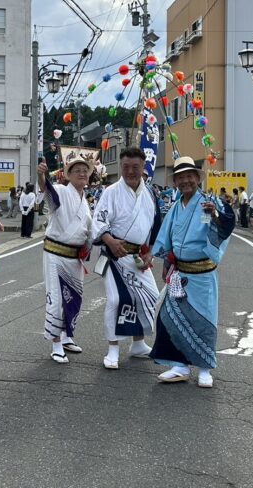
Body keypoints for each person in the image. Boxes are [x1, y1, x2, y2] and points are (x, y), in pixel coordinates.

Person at [150, 156, 236, 388]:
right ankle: (179, 365)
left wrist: (215, 215)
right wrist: (167, 261)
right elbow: (168, 236)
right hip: (180, 272)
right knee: (170, 318)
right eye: (180, 177)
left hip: (202, 275)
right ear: (176, 181)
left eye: (190, 176)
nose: (185, 181)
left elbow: (226, 225)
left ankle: (205, 367)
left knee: (203, 320)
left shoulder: (209, 202)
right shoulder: (176, 206)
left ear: (198, 178)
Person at [92, 147, 161, 370]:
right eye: (126, 167)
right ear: (121, 167)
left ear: (143, 168)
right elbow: (99, 221)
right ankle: (113, 348)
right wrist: (110, 241)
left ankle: (138, 343)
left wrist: (150, 252)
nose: (130, 171)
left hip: (138, 257)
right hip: (114, 255)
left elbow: (156, 227)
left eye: (136, 167)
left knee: (150, 298)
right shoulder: (110, 192)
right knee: (115, 300)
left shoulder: (150, 194)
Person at [38, 157, 93, 363]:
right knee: (57, 299)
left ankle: (67, 335)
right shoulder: (61, 191)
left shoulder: (85, 201)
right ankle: (56, 344)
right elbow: (45, 188)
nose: (81, 173)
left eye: (85, 171)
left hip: (74, 258)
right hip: (55, 254)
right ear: (68, 175)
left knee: (75, 298)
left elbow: (88, 230)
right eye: (77, 170)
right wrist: (41, 174)